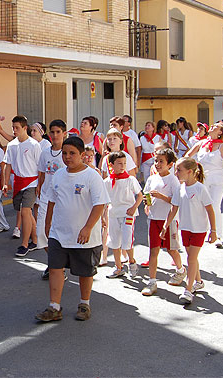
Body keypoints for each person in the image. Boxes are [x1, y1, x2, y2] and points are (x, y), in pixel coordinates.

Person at [35, 137, 109, 322]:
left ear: (82, 155)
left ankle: (84, 304)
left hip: (84, 236)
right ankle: (54, 307)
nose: (68, 157)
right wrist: (47, 223)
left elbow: (99, 204)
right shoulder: (59, 175)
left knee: (85, 271)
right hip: (59, 233)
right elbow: (52, 200)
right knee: (55, 268)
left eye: (72, 153)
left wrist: (87, 228)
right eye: (65, 153)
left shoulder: (92, 176)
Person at [161, 157, 217, 304]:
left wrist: (214, 230)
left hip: (199, 229)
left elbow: (210, 210)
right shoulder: (180, 188)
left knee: (191, 259)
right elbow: (174, 208)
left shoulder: (200, 189)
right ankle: (198, 281)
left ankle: (188, 290)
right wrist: (165, 226)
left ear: (190, 171)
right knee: (191, 257)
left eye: (179, 170)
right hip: (185, 228)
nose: (176, 173)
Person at [141, 148, 186, 296]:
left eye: (162, 161)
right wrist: (147, 203)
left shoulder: (173, 180)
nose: (158, 164)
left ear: (170, 164)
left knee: (171, 249)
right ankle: (152, 281)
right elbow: (146, 195)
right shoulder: (151, 178)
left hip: (169, 220)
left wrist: (161, 196)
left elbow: (176, 202)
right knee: (153, 250)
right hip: (154, 219)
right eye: (156, 161)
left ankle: (180, 270)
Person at [184, 122, 223, 248]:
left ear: (220, 132)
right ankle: (204, 231)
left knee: (215, 205)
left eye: (215, 127)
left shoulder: (222, 147)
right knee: (203, 205)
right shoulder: (201, 143)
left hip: (218, 179)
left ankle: (218, 235)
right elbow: (188, 156)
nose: (211, 127)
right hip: (203, 178)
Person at [2, 115, 42, 257]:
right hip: (18, 182)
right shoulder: (12, 145)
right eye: (13, 127)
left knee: (25, 211)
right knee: (26, 213)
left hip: (31, 182)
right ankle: (36, 239)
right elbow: (8, 165)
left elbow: (40, 166)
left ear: (25, 128)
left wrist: (39, 185)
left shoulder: (34, 145)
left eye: (17, 128)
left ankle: (24, 244)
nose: (14, 130)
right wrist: (6, 183)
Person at [104, 152, 143, 279]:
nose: (122, 166)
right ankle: (118, 267)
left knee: (127, 240)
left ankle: (132, 263)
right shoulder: (107, 182)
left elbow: (140, 195)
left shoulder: (130, 179)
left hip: (128, 214)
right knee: (114, 241)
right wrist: (103, 217)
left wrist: (133, 207)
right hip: (113, 213)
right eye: (119, 163)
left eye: (124, 163)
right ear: (111, 165)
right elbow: (104, 201)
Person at [36, 119, 67, 279]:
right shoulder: (45, 152)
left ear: (64, 133)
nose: (55, 135)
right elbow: (41, 174)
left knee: (59, 234)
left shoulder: (68, 152)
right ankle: (55, 262)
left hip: (62, 200)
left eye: (58, 132)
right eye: (52, 132)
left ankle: (57, 266)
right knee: (41, 233)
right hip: (46, 198)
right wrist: (39, 190)